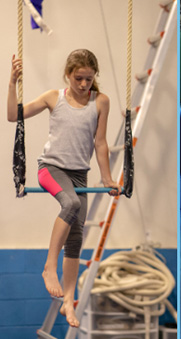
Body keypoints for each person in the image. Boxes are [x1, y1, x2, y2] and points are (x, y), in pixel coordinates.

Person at [7, 49, 120, 327]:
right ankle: (49, 266)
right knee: (71, 204)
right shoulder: (52, 98)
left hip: (80, 174)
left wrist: (106, 178)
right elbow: (13, 116)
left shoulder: (100, 101)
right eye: (78, 78)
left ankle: (69, 302)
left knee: (76, 239)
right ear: (68, 75)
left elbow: (101, 143)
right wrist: (12, 82)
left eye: (89, 79)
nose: (83, 84)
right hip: (51, 168)